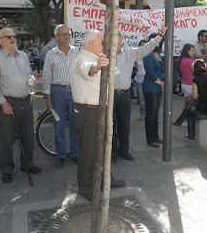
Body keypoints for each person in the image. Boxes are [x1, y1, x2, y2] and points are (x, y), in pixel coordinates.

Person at [70, 29, 125, 201]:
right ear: (92, 43)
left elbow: (111, 70)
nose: (104, 45)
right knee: (88, 151)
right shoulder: (82, 59)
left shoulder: (96, 57)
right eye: (102, 42)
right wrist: (97, 66)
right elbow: (89, 69)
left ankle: (105, 180)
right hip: (88, 111)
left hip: (99, 110)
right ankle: (85, 186)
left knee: (102, 147)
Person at [0, 27, 41, 183]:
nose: (12, 38)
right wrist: (3, 103)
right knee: (7, 138)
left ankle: (27, 164)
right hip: (8, 103)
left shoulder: (23, 55)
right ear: (1, 40)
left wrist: (32, 82)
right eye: (8, 36)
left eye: (14, 36)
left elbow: (30, 74)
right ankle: (6, 169)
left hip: (26, 101)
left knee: (28, 136)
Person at [112, 24, 166, 162]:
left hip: (124, 95)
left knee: (124, 125)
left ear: (121, 38)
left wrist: (160, 35)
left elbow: (146, 48)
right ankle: (112, 153)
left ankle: (124, 151)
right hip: (109, 95)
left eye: (116, 35)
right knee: (110, 126)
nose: (113, 38)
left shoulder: (130, 52)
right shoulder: (104, 54)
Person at [42, 24, 79, 168]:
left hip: (74, 91)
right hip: (57, 91)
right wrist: (48, 97)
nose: (67, 36)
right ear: (57, 37)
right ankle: (61, 155)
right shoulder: (51, 54)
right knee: (59, 124)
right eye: (63, 34)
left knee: (75, 124)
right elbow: (46, 76)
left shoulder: (77, 52)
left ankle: (75, 153)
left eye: (68, 34)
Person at [185, 59, 207, 141]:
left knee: (190, 113)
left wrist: (193, 95)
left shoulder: (195, 79)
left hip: (202, 108)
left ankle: (191, 135)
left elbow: (195, 96)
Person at [143, 33, 165, 148]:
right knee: (150, 114)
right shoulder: (147, 54)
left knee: (156, 113)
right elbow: (150, 73)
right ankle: (150, 139)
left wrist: (163, 81)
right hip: (150, 87)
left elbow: (162, 69)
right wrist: (161, 83)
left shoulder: (158, 54)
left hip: (158, 86)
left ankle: (156, 136)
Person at [172, 43, 195, 128]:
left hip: (184, 83)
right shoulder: (189, 61)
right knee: (190, 105)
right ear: (187, 51)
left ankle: (182, 121)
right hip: (190, 84)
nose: (193, 52)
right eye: (192, 50)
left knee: (187, 103)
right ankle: (182, 121)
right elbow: (194, 73)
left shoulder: (181, 60)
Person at [134, 40, 147, 120]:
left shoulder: (151, 55)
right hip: (139, 80)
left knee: (151, 99)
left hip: (149, 79)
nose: (143, 46)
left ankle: (154, 116)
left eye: (145, 45)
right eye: (141, 45)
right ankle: (143, 114)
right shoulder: (137, 56)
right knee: (142, 99)